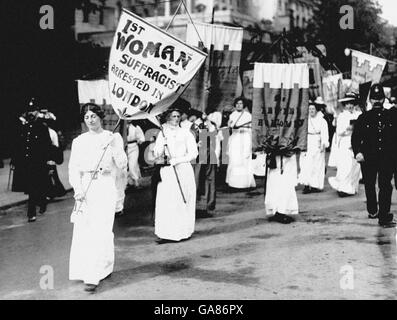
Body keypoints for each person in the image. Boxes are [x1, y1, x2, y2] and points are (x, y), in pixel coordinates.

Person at [68, 103, 127, 292]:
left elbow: (122, 165)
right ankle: (88, 269)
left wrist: (116, 147)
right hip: (86, 187)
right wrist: (77, 189)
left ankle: (96, 274)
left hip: (104, 186)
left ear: (100, 117)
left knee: (101, 230)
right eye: (86, 117)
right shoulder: (79, 141)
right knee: (84, 230)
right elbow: (73, 168)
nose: (90, 120)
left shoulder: (112, 137)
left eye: (93, 116)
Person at [352, 84, 397, 227]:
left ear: (384, 99)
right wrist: (358, 152)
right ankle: (372, 209)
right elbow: (355, 138)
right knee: (369, 185)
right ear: (370, 100)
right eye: (374, 99)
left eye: (379, 98)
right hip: (368, 157)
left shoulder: (391, 115)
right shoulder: (363, 118)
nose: (377, 101)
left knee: (385, 186)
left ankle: (383, 216)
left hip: (386, 157)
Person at [152, 108, 198, 244]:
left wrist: (177, 160)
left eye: (178, 116)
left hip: (182, 170)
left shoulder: (186, 133)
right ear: (167, 118)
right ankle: (165, 232)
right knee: (166, 201)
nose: (176, 119)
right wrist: (160, 147)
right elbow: (157, 152)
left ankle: (181, 231)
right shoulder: (162, 133)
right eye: (173, 116)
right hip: (167, 172)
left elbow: (193, 153)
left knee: (180, 200)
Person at [11, 98, 52, 222]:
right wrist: (16, 161)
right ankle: (31, 213)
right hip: (28, 164)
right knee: (31, 189)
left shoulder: (42, 127)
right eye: (29, 111)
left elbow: (47, 147)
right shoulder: (23, 128)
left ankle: (42, 202)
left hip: (39, 163)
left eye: (33, 111)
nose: (31, 113)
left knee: (39, 187)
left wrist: (49, 163)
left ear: (37, 112)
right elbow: (19, 146)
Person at [328, 92, 361, 197]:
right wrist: (348, 128)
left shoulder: (358, 115)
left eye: (352, 103)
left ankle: (351, 187)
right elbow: (339, 132)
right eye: (348, 104)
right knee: (345, 166)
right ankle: (342, 188)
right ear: (345, 105)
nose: (350, 106)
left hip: (355, 141)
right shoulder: (342, 116)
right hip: (345, 141)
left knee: (354, 166)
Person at [226, 97, 256, 189]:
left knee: (244, 159)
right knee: (235, 159)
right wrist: (230, 126)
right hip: (235, 139)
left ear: (244, 105)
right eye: (237, 103)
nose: (239, 105)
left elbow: (251, 128)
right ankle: (233, 183)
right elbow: (230, 128)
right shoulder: (232, 115)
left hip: (245, 138)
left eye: (241, 103)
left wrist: (244, 129)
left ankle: (244, 183)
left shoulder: (248, 116)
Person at [299, 103, 329, 193]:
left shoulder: (322, 121)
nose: (311, 111)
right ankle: (306, 185)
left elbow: (325, 133)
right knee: (306, 164)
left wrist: (324, 143)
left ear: (316, 110)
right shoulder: (305, 120)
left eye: (313, 109)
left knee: (317, 165)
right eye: (309, 109)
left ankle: (315, 185)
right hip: (307, 142)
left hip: (317, 143)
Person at [38, 110, 67, 200]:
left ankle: (55, 192)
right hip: (43, 156)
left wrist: (53, 156)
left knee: (52, 174)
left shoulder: (52, 132)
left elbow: (56, 146)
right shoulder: (40, 132)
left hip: (50, 156)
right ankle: (50, 192)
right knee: (46, 175)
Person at [126, 122, 145, 188]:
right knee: (125, 165)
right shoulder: (121, 126)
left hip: (133, 147)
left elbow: (142, 138)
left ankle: (137, 182)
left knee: (132, 165)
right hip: (124, 147)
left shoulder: (135, 127)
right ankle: (129, 182)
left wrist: (139, 140)